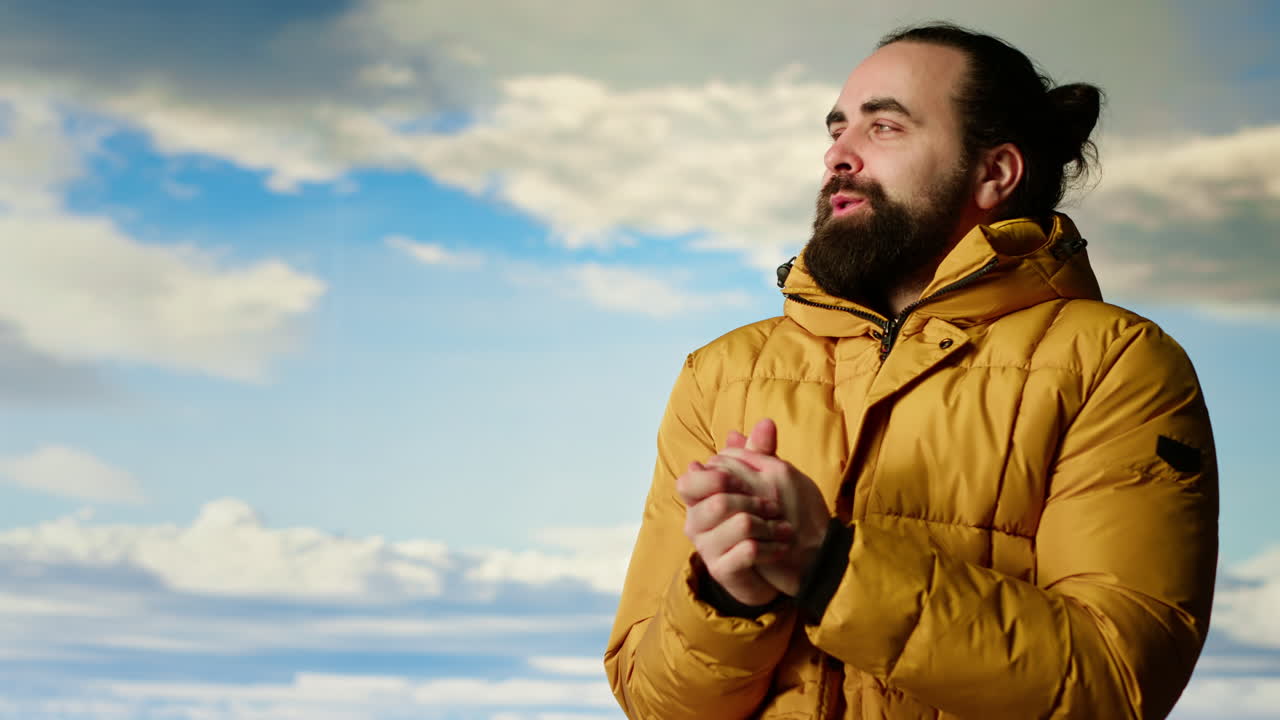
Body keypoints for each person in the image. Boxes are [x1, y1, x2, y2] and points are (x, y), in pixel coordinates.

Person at [603, 21, 1218, 720]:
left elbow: (1115, 685)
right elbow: (652, 704)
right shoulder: (720, 373)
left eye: (884, 127)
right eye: (836, 130)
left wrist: (827, 566)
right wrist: (726, 596)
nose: (839, 154)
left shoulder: (1118, 364)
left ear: (994, 174)